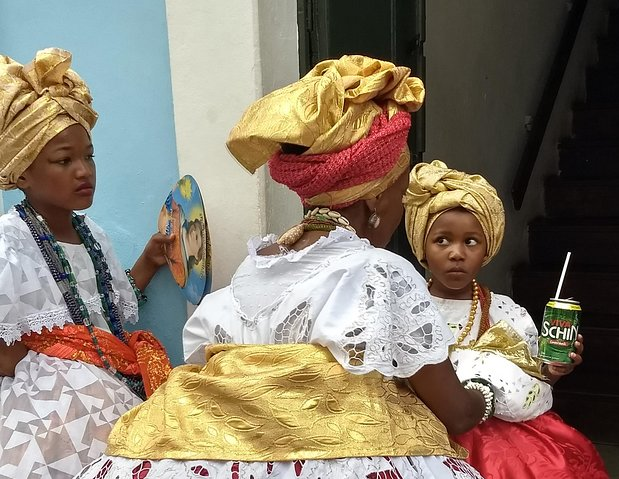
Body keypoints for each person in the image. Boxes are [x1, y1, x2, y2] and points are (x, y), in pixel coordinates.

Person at [76, 55, 487, 479]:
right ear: (374, 201)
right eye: (400, 191)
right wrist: (487, 392)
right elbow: (456, 414)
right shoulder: (379, 274)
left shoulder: (245, 281)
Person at [0, 48, 173, 479]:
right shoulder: (9, 243)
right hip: (47, 397)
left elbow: (108, 307)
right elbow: (6, 351)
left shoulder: (93, 234)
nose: (84, 171)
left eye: (89, 156)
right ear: (22, 173)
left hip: (111, 372)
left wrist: (148, 263)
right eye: (64, 160)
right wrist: (63, 366)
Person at [404, 159, 610, 479]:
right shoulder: (407, 308)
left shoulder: (503, 311)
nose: (456, 253)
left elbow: (531, 381)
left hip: (495, 441)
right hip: (420, 433)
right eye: (442, 240)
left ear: (487, 250)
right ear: (421, 248)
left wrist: (554, 369)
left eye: (470, 241)